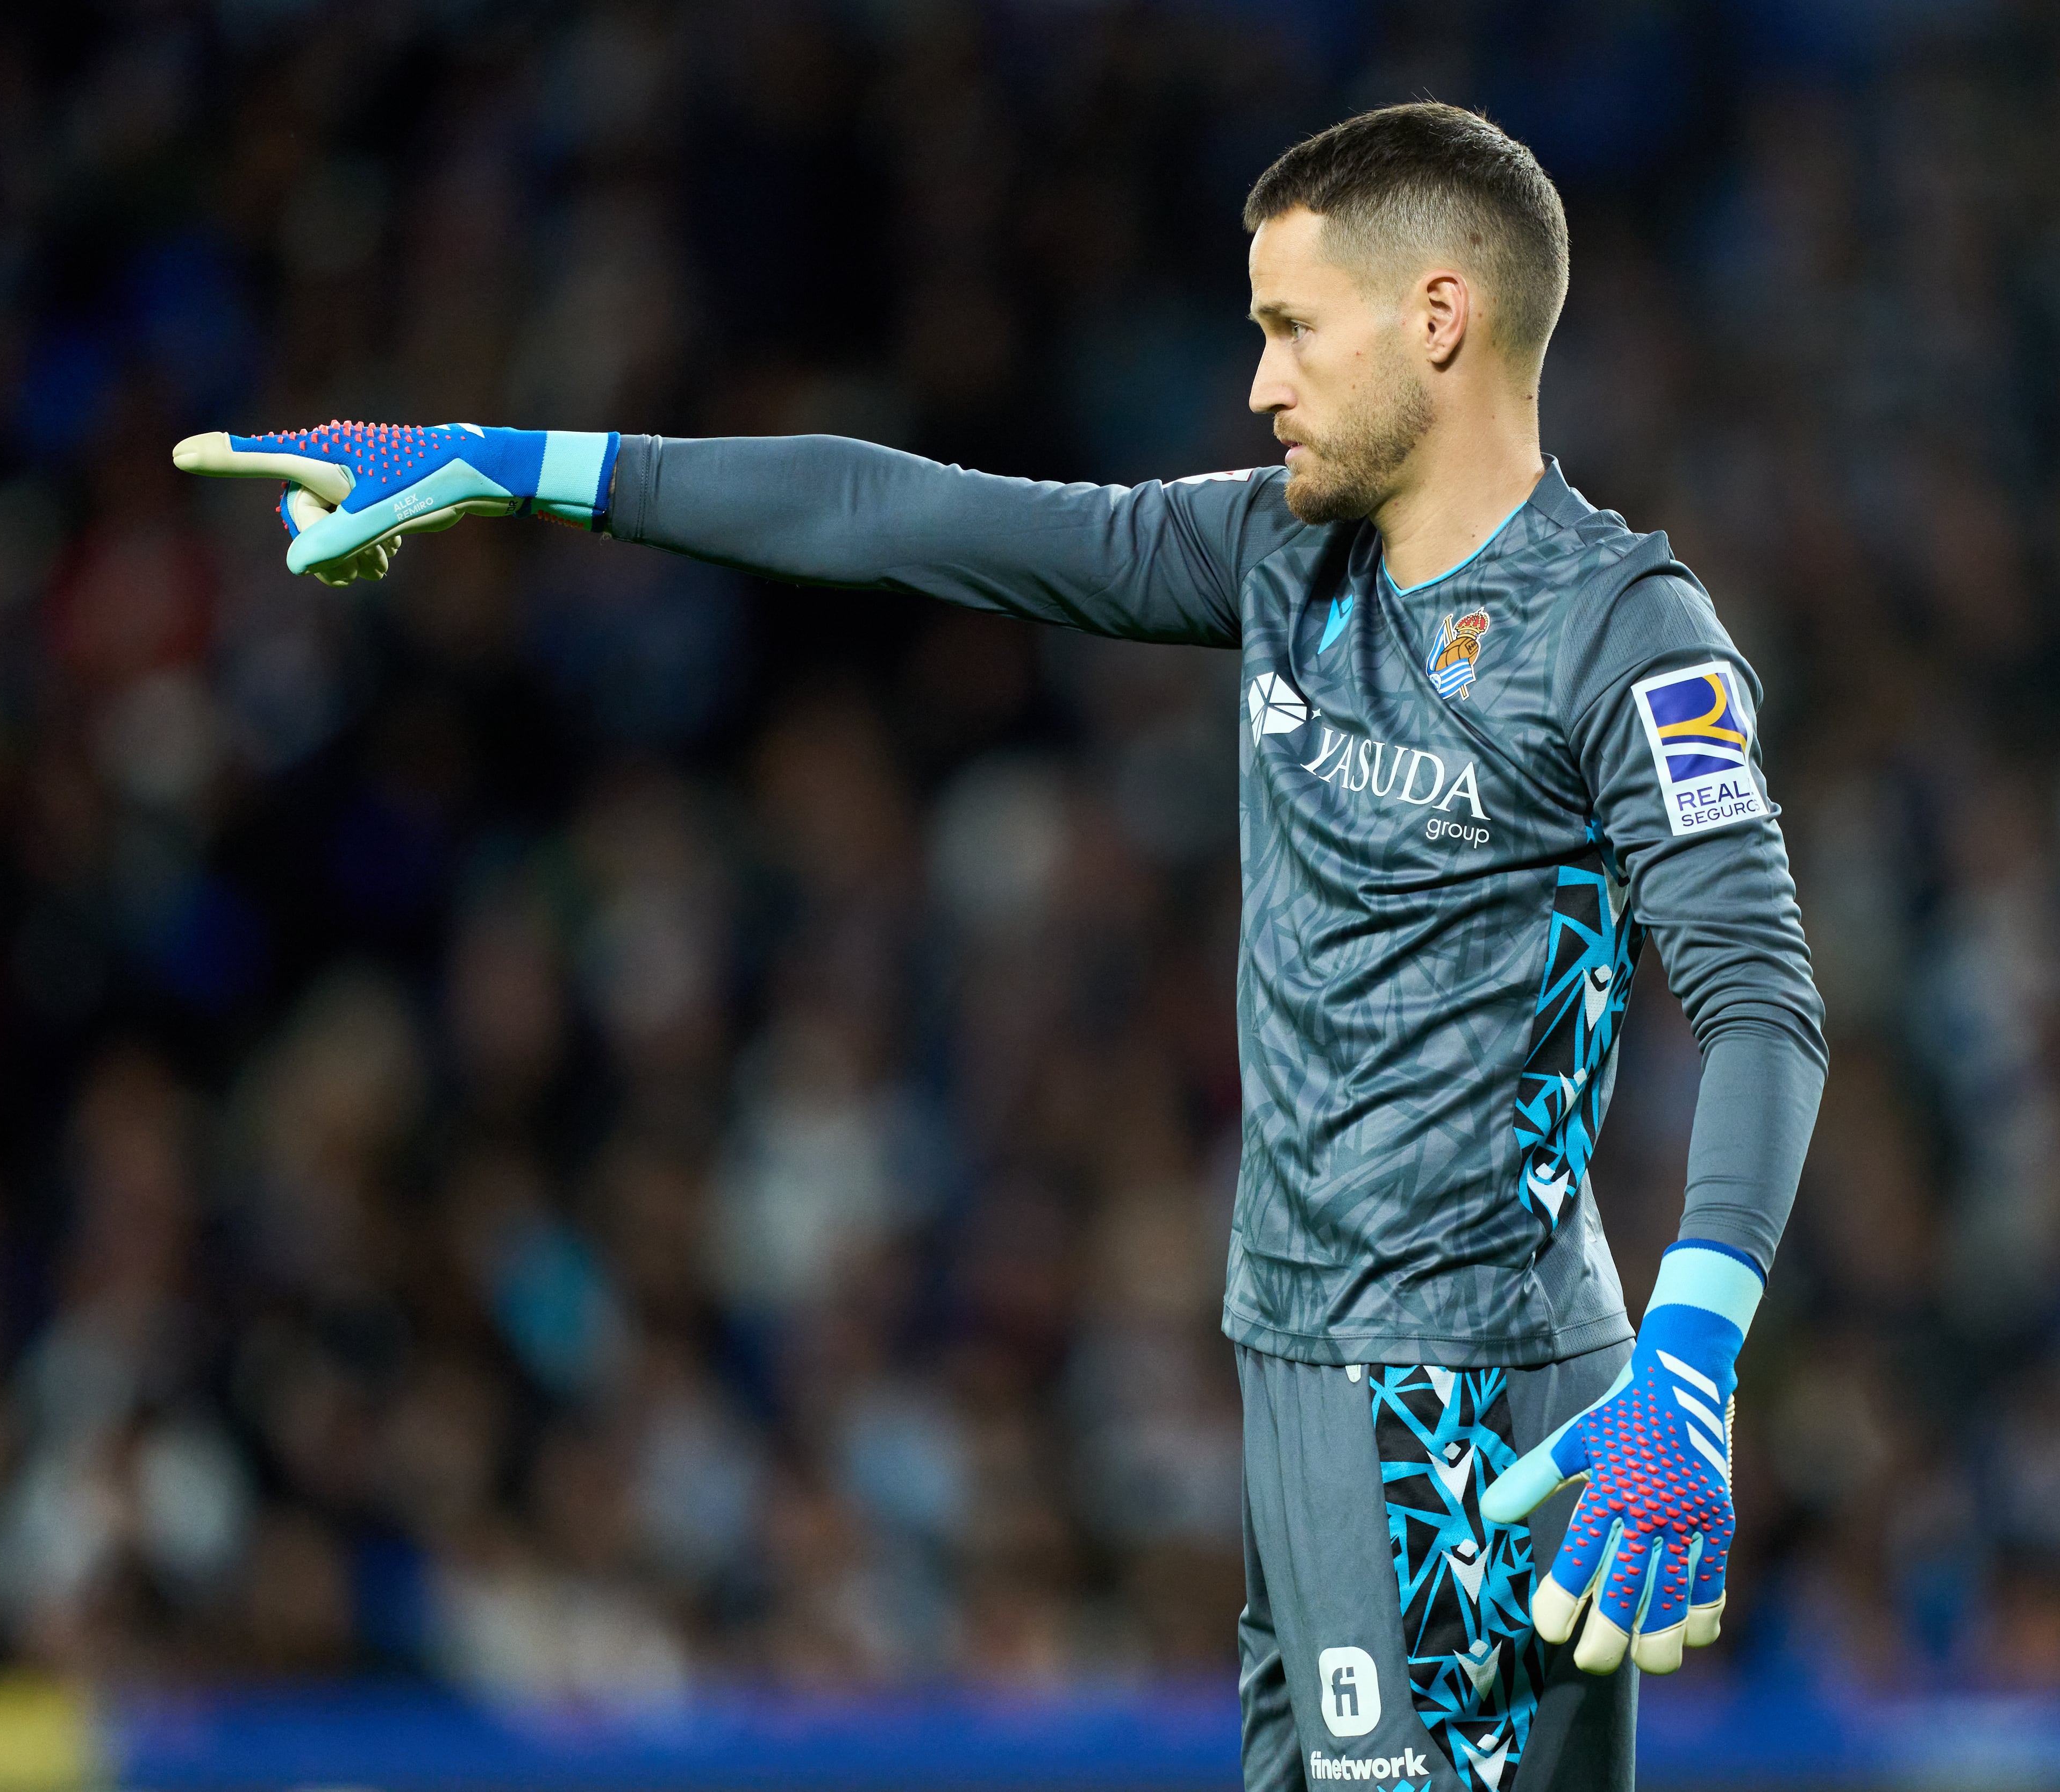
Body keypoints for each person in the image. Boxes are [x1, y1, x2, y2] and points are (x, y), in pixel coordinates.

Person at [174, 102, 1826, 1792]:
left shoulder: (1627, 634)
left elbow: (1762, 1003)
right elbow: (909, 517)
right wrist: (508, 460)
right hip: (1312, 1360)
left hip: (1452, 1396)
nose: (1260, 384)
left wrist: (1691, 1363)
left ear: (1439, 317)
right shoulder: (1280, 554)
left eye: (1290, 329)